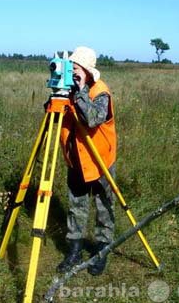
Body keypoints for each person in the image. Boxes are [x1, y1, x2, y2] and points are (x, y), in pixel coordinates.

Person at [57, 46, 117, 276]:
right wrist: (58, 96)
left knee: (104, 208)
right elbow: (58, 119)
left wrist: (80, 90)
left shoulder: (100, 91)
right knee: (76, 207)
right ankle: (74, 250)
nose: (72, 71)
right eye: (70, 67)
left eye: (76, 67)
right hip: (76, 160)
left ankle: (101, 251)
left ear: (87, 70)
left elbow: (92, 119)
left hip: (100, 159)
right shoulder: (70, 89)